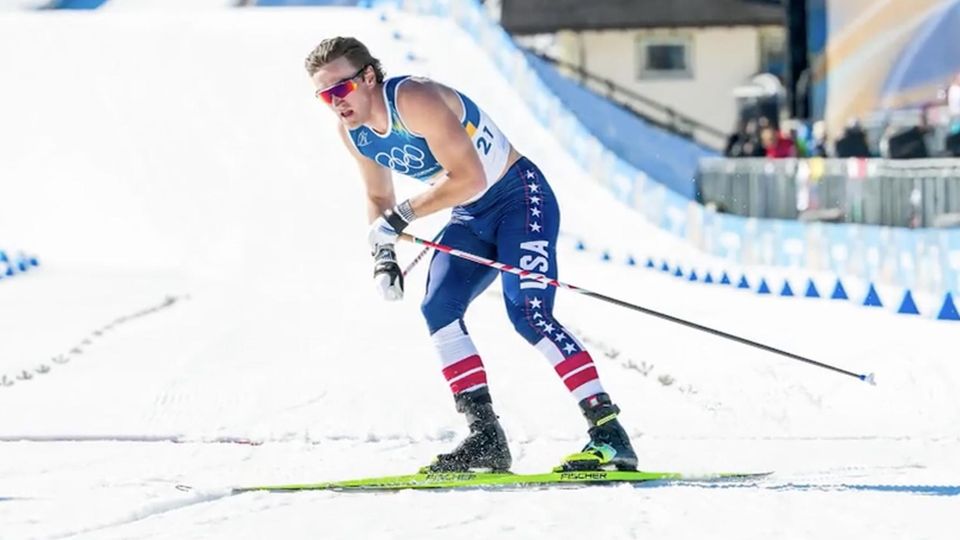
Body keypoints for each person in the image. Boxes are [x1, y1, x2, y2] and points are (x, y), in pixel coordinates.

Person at [304, 37, 637, 473]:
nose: (334, 103)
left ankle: (610, 434)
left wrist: (401, 217)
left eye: (340, 90)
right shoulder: (354, 133)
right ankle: (486, 438)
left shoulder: (413, 99)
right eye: (323, 96)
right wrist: (383, 255)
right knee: (438, 307)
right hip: (471, 213)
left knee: (527, 313)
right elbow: (378, 195)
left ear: (368, 77)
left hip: (518, 198)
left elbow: (469, 177)